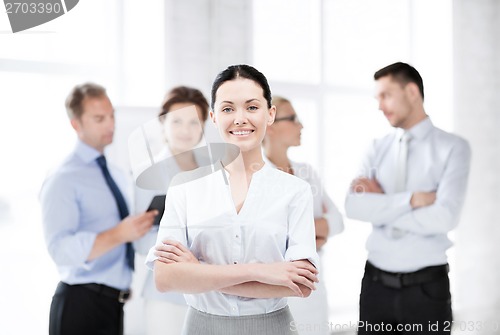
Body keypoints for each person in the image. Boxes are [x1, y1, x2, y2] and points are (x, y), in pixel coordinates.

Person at [145, 64, 320, 335]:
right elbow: (166, 278)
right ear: (214, 117)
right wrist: (262, 272)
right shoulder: (184, 187)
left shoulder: (294, 191)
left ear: (270, 114)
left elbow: (301, 285)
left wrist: (198, 273)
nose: (240, 118)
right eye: (228, 109)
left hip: (273, 327)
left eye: (252, 107)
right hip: (202, 327)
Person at [345, 62, 471, 334]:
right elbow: (353, 206)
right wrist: (412, 200)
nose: (380, 105)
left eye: (386, 95)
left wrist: (381, 205)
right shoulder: (376, 148)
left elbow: (445, 217)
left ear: (412, 91)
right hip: (375, 287)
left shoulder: (454, 148)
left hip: (426, 291)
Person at [40, 83, 157, 335]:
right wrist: (119, 234)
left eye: (112, 116)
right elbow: (60, 250)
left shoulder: (116, 173)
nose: (110, 124)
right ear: (76, 124)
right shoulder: (63, 178)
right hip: (80, 304)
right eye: (99, 118)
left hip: (113, 306)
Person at [263, 96, 344, 335]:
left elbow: (338, 222)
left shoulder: (306, 172)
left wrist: (299, 232)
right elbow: (268, 236)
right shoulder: (256, 177)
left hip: (314, 286)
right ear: (270, 125)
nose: (301, 126)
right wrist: (314, 233)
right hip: (277, 290)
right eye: (293, 119)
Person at [134, 86, 209, 335]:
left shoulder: (215, 172)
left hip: (209, 290)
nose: (185, 131)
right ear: (163, 123)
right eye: (177, 122)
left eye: (193, 122)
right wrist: (185, 249)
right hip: (166, 296)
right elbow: (140, 240)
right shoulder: (147, 173)